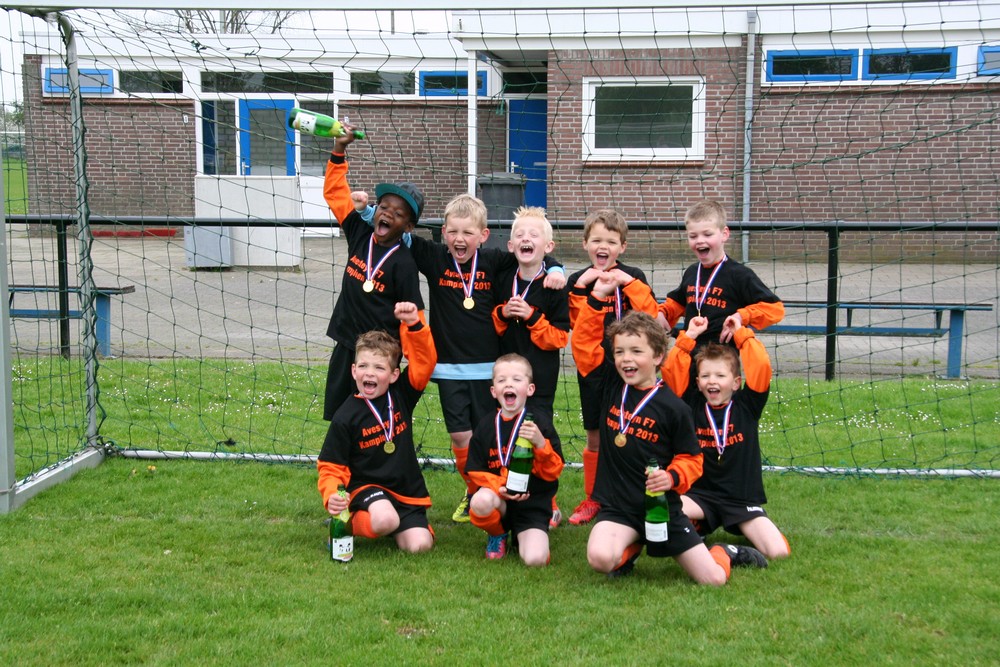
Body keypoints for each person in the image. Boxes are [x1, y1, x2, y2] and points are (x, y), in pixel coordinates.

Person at [571, 278, 767, 584]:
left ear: (658, 357)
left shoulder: (674, 406)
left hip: (663, 507)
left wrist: (672, 477)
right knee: (599, 558)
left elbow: (692, 459)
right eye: (619, 352)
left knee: (713, 579)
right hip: (619, 508)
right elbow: (583, 344)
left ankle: (724, 552)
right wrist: (596, 300)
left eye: (636, 351)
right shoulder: (610, 385)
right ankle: (630, 548)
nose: (626, 359)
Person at [403, 194, 565, 523]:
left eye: (468, 232)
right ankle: (475, 490)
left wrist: (557, 267)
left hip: (488, 370)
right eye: (453, 232)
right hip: (448, 369)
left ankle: (530, 496)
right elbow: (398, 234)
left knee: (494, 435)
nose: (459, 239)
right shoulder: (435, 257)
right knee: (460, 437)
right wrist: (366, 212)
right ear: (444, 232)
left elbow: (533, 254)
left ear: (484, 235)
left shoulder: (494, 261)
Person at [663, 314, 791, 561]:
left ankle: (728, 551)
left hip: (740, 500)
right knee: (662, 512)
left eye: (720, 376)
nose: (712, 381)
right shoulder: (690, 404)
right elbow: (672, 370)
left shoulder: (748, 405)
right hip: (700, 497)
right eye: (706, 376)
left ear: (736, 382)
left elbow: (761, 366)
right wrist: (689, 336)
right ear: (697, 382)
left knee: (778, 552)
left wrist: (741, 334)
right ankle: (698, 526)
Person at [320, 125, 426, 421]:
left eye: (399, 213)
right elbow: (335, 194)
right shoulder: (359, 233)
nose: (388, 213)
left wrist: (409, 361)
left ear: (408, 227)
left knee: (372, 421)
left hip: (378, 357)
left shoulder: (404, 264)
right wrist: (339, 149)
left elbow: (413, 316)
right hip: (346, 344)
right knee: (340, 418)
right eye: (384, 206)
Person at [316, 302, 438, 554]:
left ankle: (391, 523)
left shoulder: (402, 394)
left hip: (404, 491)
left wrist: (414, 325)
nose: (369, 373)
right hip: (365, 488)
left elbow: (424, 362)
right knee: (385, 520)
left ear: (394, 375)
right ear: (353, 371)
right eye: (363, 366)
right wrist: (331, 494)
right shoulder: (345, 416)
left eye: (379, 367)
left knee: (420, 546)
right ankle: (344, 523)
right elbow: (331, 466)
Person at [564, 208, 658, 527]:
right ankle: (593, 497)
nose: (602, 246)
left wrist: (628, 283)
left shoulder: (634, 276)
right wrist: (582, 289)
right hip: (593, 368)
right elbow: (576, 325)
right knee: (595, 437)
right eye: (596, 240)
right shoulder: (578, 280)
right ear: (585, 244)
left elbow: (652, 317)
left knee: (634, 433)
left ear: (622, 246)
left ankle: (637, 493)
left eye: (611, 241)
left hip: (631, 368)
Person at [492, 206, 570, 527]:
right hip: (506, 380)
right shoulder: (502, 276)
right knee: (505, 436)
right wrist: (502, 313)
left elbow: (560, 337)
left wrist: (532, 317)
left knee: (538, 437)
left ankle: (547, 499)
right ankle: (506, 493)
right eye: (520, 235)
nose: (526, 239)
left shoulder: (554, 286)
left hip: (540, 382)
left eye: (534, 235)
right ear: (511, 245)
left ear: (548, 246)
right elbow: (492, 324)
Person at [465, 354, 565, 565]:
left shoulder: (540, 424)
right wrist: (502, 486)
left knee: (535, 560)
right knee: (480, 501)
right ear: (494, 391)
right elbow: (474, 470)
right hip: (499, 501)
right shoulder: (486, 426)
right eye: (502, 380)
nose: (509, 384)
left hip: (532, 505)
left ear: (530, 389)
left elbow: (554, 471)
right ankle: (498, 534)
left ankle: (532, 531)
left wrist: (541, 444)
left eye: (517, 379)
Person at [658, 200, 783, 348]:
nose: (700, 241)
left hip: (722, 355)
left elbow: (775, 309)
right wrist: (662, 313)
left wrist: (740, 316)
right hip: (689, 350)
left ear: (724, 234)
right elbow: (678, 303)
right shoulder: (692, 272)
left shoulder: (740, 274)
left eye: (707, 234)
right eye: (693, 236)